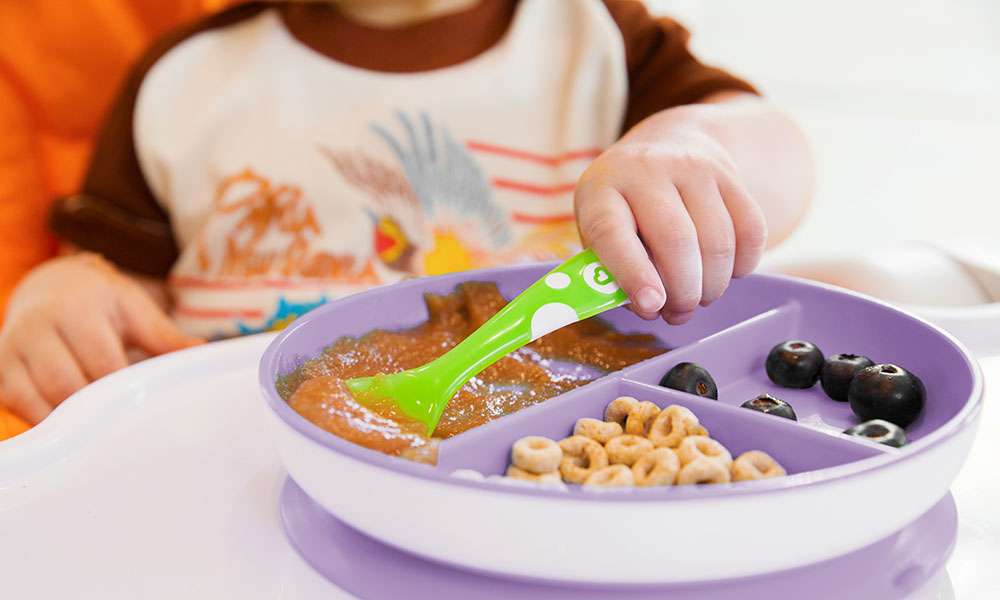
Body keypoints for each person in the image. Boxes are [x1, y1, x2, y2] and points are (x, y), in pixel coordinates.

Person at [0, 0, 813, 425]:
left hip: (540, 472)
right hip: (238, 466)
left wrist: (691, 152)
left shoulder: (591, 35)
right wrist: (65, 294)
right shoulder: (182, 81)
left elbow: (773, 145)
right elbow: (126, 294)